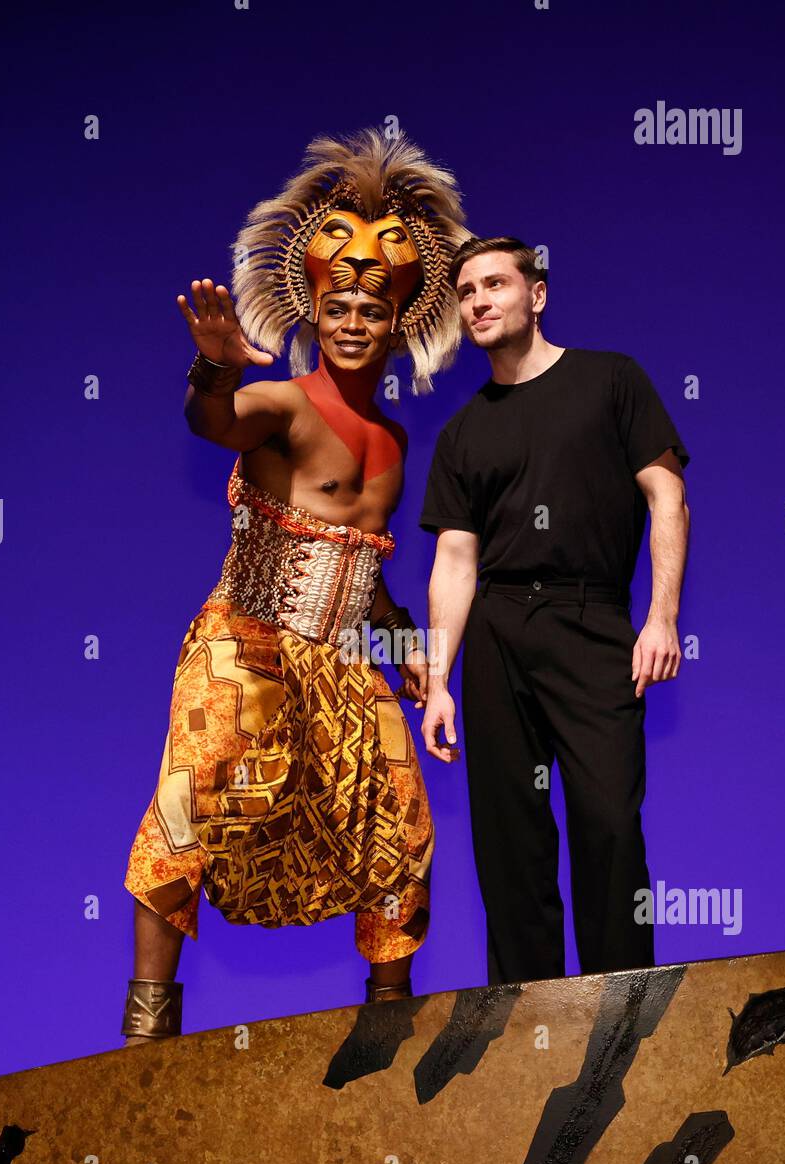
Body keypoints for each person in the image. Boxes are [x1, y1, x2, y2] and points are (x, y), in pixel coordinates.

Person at [121, 129, 472, 1043]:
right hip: (250, 642)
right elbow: (213, 424)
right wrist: (219, 364)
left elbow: (369, 580)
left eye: (374, 307)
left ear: (399, 320)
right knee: (189, 798)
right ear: (312, 312)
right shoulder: (279, 403)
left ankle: (388, 1033)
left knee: (402, 824)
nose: (355, 320)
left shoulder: (394, 445)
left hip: (347, 665)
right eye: (338, 304)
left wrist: (418, 670)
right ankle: (146, 1039)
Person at [418, 235, 691, 985]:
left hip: (591, 620)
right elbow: (454, 561)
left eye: (495, 284)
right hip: (498, 634)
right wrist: (439, 681)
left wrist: (660, 618)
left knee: (608, 822)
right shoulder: (463, 432)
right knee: (510, 843)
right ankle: (522, 1029)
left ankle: (625, 1014)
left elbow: (667, 495)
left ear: (536, 295)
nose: (478, 300)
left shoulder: (611, 380)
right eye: (466, 291)